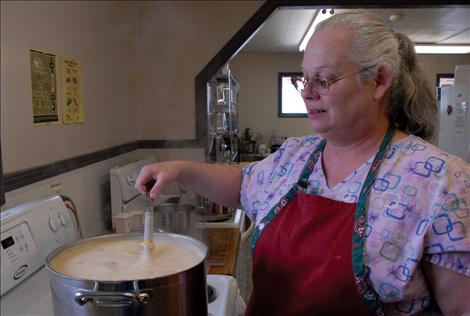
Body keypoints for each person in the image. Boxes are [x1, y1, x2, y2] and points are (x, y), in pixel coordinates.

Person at [136, 10, 470, 315]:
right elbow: (243, 183)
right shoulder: (296, 155)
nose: (307, 93)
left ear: (379, 81)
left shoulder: (442, 181)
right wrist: (180, 170)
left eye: (323, 79)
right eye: (304, 79)